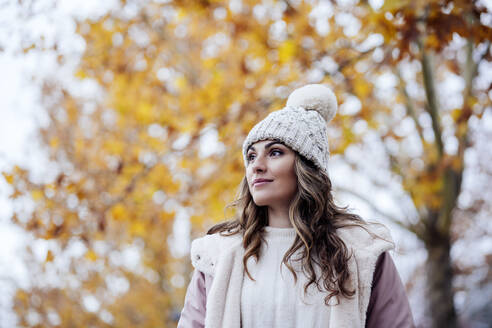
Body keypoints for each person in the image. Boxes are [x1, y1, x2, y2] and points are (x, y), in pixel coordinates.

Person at [177, 84, 414, 328]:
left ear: (307, 166)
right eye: (251, 156)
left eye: (275, 152)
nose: (256, 166)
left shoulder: (361, 250)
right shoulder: (217, 255)